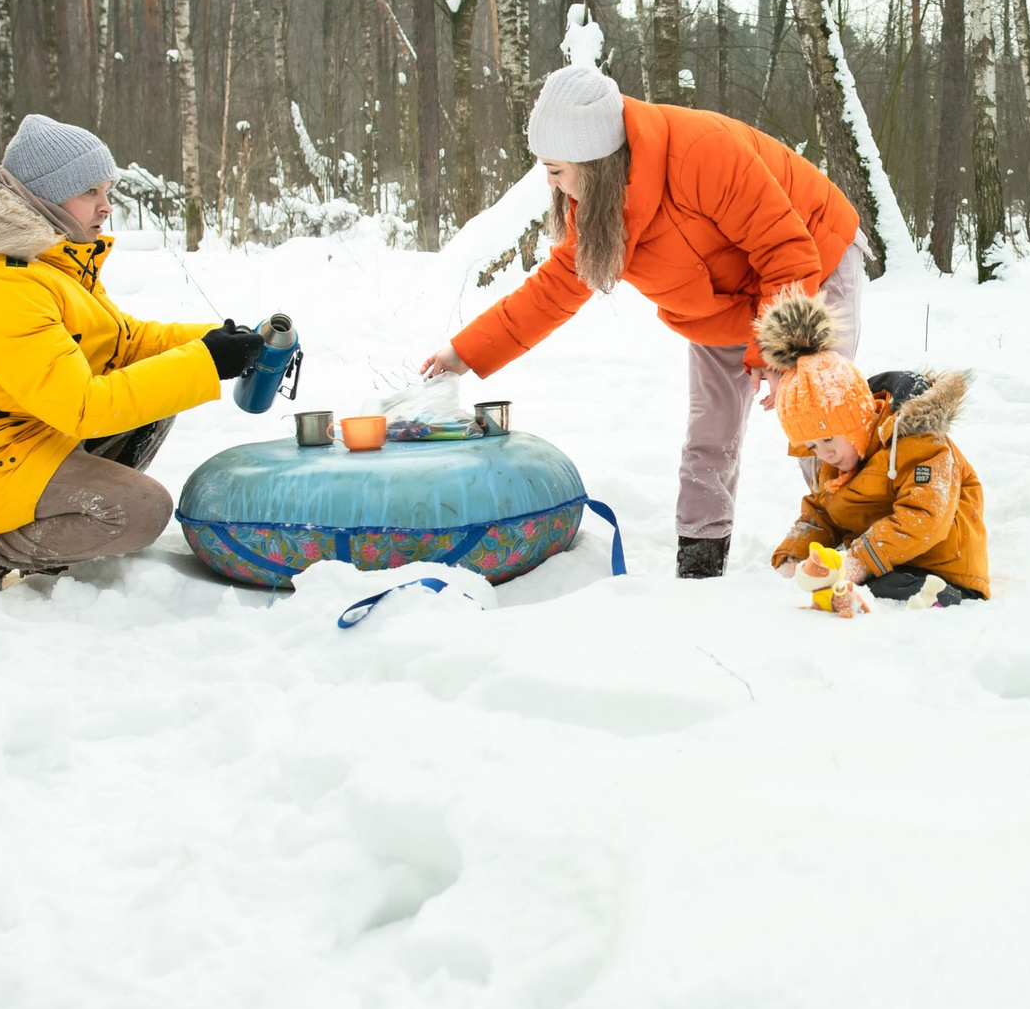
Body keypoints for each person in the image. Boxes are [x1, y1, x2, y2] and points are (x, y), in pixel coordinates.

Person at [419, 64, 866, 577]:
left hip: (812, 263)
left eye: (556, 168)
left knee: (818, 412)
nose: (551, 181)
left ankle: (854, 547)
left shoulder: (702, 152)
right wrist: (465, 353)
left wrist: (775, 350)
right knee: (710, 427)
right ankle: (700, 558)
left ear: (596, 161)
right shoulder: (598, 207)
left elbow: (786, 251)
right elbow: (554, 290)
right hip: (719, 301)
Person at [0, 114, 269, 590]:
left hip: (11, 441)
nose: (106, 207)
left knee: (154, 391)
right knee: (141, 512)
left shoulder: (47, 263)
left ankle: (66, 525)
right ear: (45, 196)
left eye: (106, 192)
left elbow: (123, 342)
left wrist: (219, 339)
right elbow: (83, 407)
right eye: (90, 192)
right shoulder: (0, 283)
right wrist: (205, 361)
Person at [754, 289, 988, 616]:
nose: (824, 455)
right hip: (892, 562)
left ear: (855, 423)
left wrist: (858, 560)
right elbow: (822, 512)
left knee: (879, 585)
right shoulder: (839, 459)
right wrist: (794, 556)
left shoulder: (918, 442)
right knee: (855, 583)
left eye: (828, 440)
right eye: (813, 446)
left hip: (946, 565)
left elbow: (925, 516)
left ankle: (935, 604)